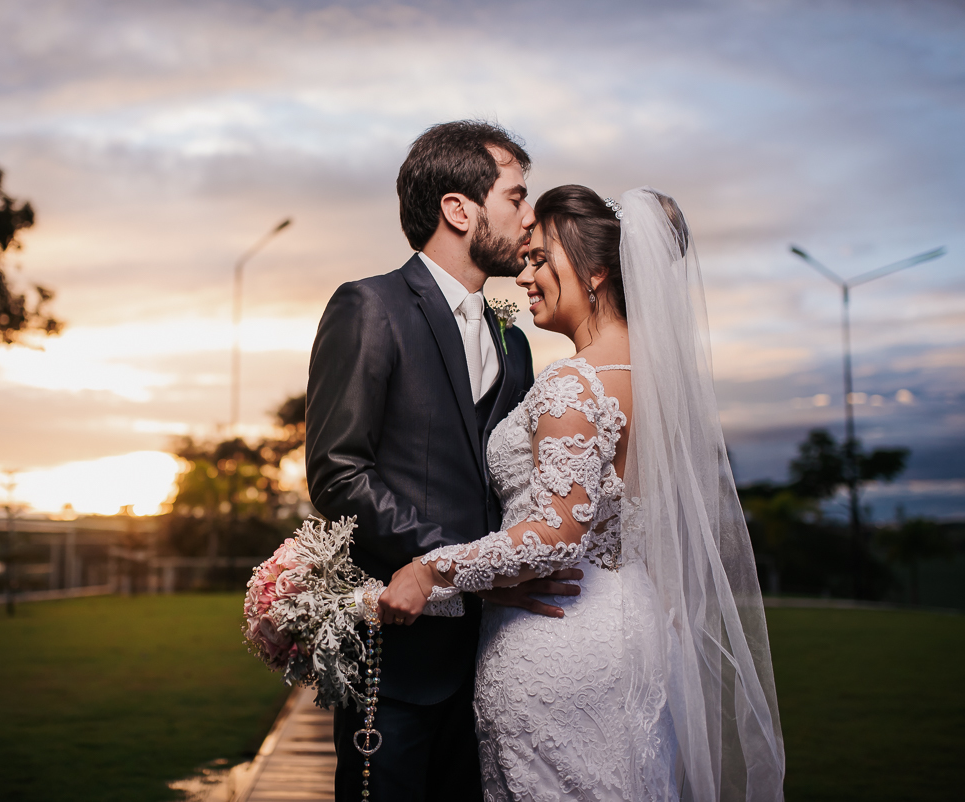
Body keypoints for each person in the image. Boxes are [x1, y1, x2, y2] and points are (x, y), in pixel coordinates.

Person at [381, 186, 787, 801]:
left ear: (595, 272)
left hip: (562, 646)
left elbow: (555, 534)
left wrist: (429, 569)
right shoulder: (662, 386)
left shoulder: (576, 382)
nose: (525, 273)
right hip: (641, 631)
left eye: (542, 259)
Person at [306, 121, 585, 802]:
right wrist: (460, 568)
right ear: (459, 209)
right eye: (516, 198)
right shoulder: (369, 307)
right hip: (400, 661)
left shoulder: (513, 340)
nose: (529, 217)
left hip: (498, 660)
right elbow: (339, 473)